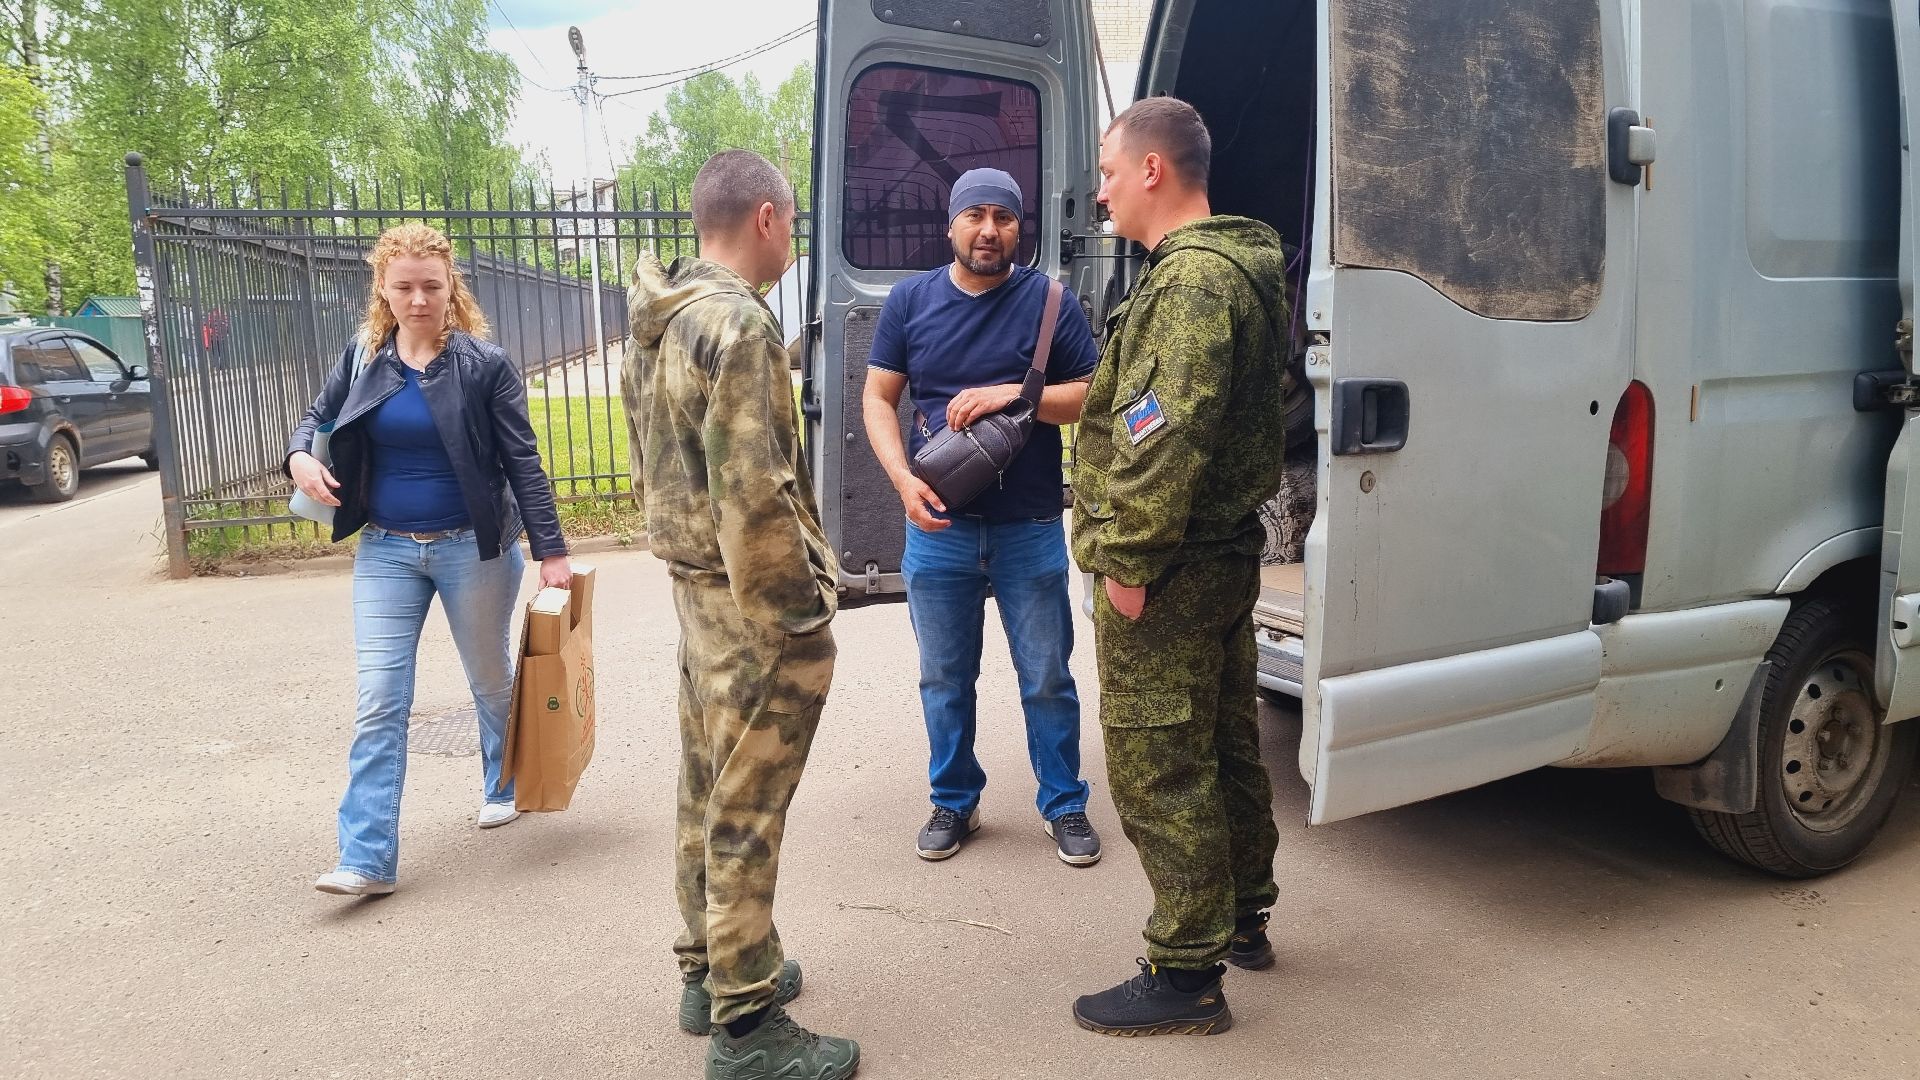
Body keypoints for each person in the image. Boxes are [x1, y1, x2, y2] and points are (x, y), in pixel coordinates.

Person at [624, 149, 859, 1080]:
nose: (793, 241)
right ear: (765, 218)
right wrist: (797, 617)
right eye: (792, 224)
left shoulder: (662, 318)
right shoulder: (740, 328)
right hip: (749, 602)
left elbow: (652, 468)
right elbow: (753, 491)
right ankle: (748, 1029)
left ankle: (712, 969)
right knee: (747, 806)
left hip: (694, 590)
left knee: (704, 784)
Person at [1068, 97, 1293, 1036]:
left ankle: (1186, 968)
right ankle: (1243, 913)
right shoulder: (1230, 266)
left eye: (1111, 175)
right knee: (1225, 740)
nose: (1103, 195)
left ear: (1153, 171)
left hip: (1170, 566)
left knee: (1160, 760)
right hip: (1216, 558)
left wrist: (1128, 560)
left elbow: (1161, 434)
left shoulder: (1192, 285)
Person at [287, 222, 571, 898]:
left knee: (490, 679)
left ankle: (502, 778)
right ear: (383, 289)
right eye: (404, 286)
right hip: (384, 549)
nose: (418, 299)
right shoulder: (364, 356)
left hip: (470, 549)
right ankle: (367, 857)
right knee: (381, 698)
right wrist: (299, 455)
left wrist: (551, 550)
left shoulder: (484, 365)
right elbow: (314, 416)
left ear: (451, 289)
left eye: (431, 286)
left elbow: (521, 461)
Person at [862, 168, 1104, 867]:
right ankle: (953, 801)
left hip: (1028, 525)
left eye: (1002, 216)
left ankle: (1064, 804)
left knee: (1047, 678)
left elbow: (1090, 395)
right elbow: (879, 400)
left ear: (1018, 226)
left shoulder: (1050, 302)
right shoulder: (910, 301)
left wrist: (1011, 395)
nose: (988, 229)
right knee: (944, 677)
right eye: (975, 216)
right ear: (951, 225)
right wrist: (901, 480)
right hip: (937, 525)